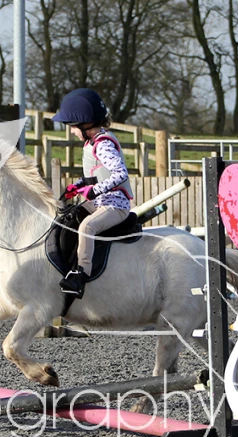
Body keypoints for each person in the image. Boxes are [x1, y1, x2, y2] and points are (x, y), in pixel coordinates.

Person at [52, 88, 134, 298]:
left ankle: (81, 274)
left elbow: (120, 173)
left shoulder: (103, 145)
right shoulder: (92, 142)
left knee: (87, 227)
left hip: (115, 205)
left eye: (72, 127)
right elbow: (96, 174)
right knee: (69, 215)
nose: (71, 131)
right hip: (100, 202)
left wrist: (94, 190)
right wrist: (77, 186)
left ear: (85, 124)